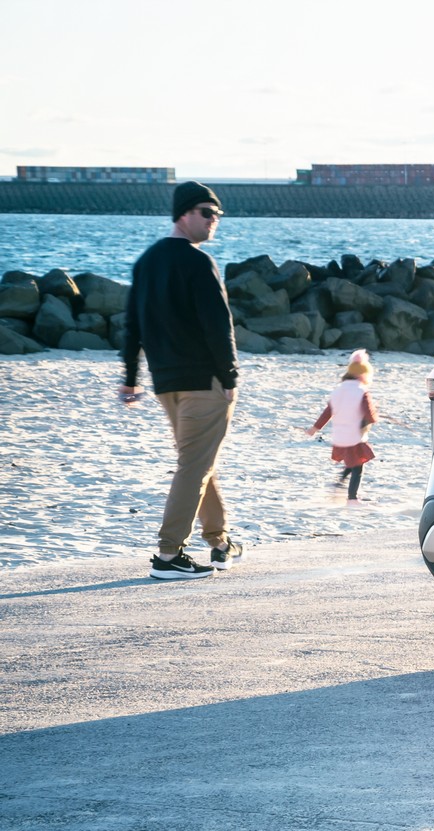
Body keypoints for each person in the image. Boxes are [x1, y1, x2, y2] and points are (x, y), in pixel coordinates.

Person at [118, 180, 245, 580]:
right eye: (207, 214)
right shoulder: (196, 261)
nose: (214, 222)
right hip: (204, 383)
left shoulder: (146, 261)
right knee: (194, 466)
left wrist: (131, 377)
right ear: (184, 214)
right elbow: (218, 324)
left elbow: (132, 326)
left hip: (167, 384)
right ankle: (169, 555)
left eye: (218, 216)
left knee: (199, 463)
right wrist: (229, 375)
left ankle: (220, 543)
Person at [306, 349, 379, 502]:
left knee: (352, 460)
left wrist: (315, 428)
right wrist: (373, 416)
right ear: (364, 375)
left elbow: (328, 412)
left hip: (339, 435)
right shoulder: (362, 391)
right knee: (358, 466)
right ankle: (352, 498)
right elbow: (370, 416)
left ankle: (340, 483)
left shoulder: (338, 390)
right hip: (354, 435)